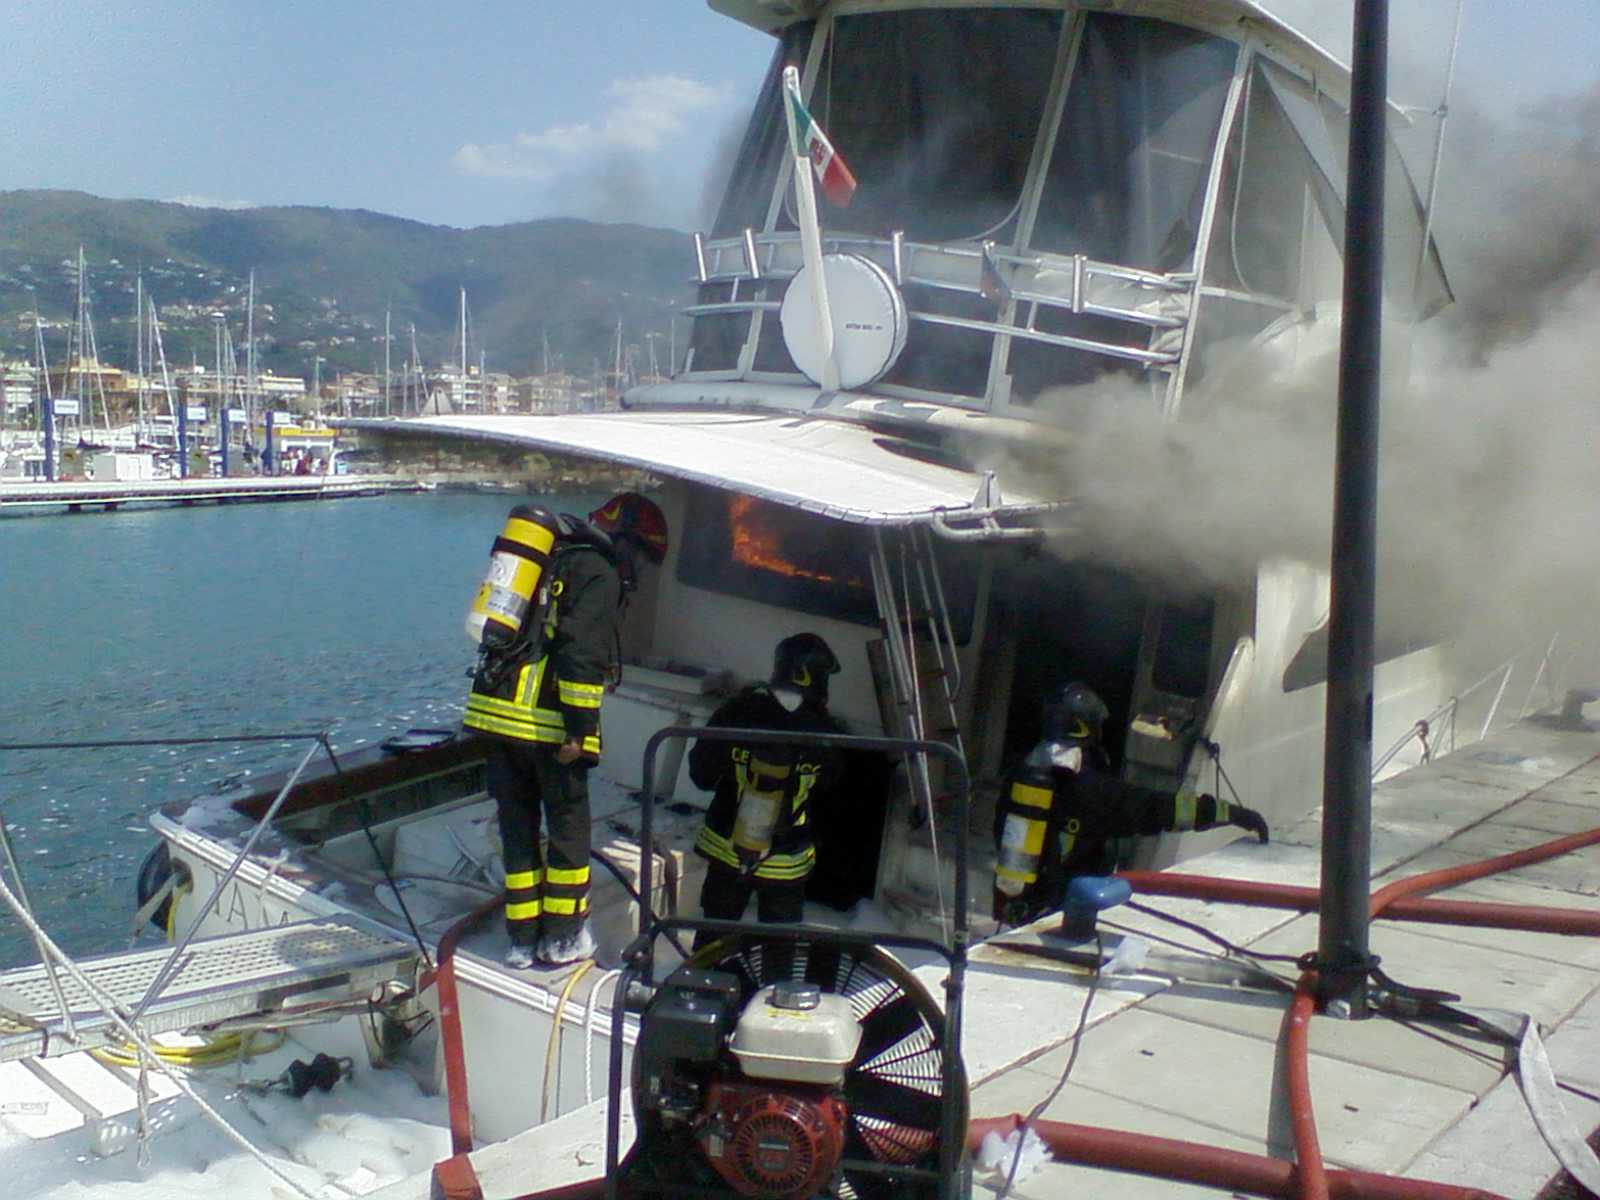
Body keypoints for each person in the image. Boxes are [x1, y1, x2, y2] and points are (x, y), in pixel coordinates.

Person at [464, 494, 668, 968]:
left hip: (496, 717)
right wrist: (579, 731)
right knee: (567, 834)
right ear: (627, 542)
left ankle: (520, 941)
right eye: (640, 555)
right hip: (548, 725)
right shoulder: (599, 572)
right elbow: (581, 656)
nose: (637, 568)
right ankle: (562, 939)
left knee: (517, 828)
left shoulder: (553, 557)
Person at [993, 682, 1269, 927]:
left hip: (1021, 904)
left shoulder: (1021, 776)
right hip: (1067, 911)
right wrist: (1228, 813)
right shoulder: (1094, 790)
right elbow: (1159, 809)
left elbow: (1000, 829)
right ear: (1088, 729)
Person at [689, 633, 846, 951]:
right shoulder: (826, 731)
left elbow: (701, 776)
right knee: (779, 950)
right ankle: (771, 997)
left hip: (726, 850)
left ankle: (700, 991)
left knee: (712, 943)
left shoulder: (736, 711)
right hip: (787, 862)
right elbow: (831, 791)